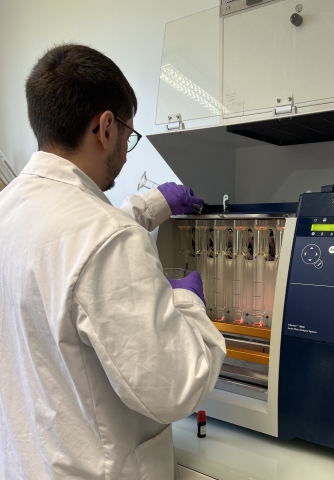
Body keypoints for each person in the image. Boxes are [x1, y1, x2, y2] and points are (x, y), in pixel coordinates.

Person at [0, 44, 226, 480]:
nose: (125, 150)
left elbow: (70, 247)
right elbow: (180, 387)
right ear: (106, 127)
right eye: (128, 136)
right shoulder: (107, 239)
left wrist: (151, 205)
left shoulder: (9, 208)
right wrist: (187, 304)